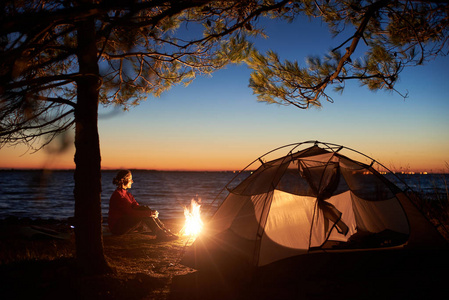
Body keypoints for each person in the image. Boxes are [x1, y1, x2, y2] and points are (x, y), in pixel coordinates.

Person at [108, 170, 177, 240]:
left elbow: (137, 207)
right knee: (144, 214)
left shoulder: (127, 194)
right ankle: (160, 233)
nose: (132, 181)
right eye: (130, 179)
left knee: (145, 208)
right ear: (123, 180)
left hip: (126, 221)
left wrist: (152, 213)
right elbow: (130, 213)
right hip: (118, 227)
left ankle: (163, 229)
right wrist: (148, 213)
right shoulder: (118, 195)